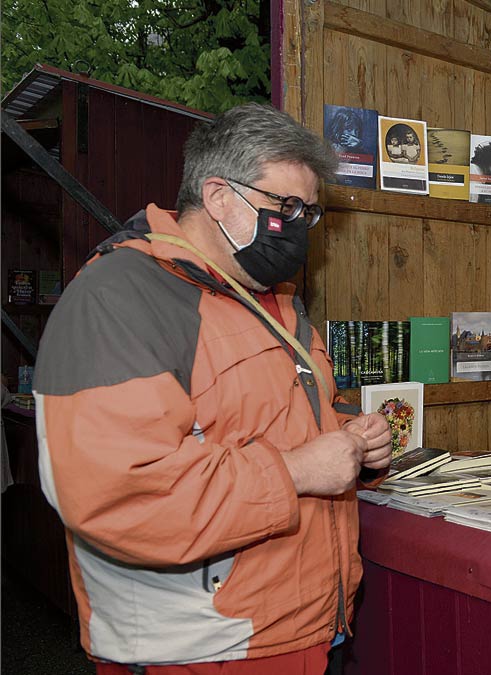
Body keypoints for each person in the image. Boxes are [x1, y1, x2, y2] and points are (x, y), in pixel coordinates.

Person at [34, 103, 393, 671]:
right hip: (198, 652)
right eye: (287, 207)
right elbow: (119, 494)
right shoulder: (118, 299)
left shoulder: (274, 301)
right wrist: (300, 469)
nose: (299, 226)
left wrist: (355, 441)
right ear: (220, 197)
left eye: (310, 213)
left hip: (308, 628)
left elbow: (285, 419)